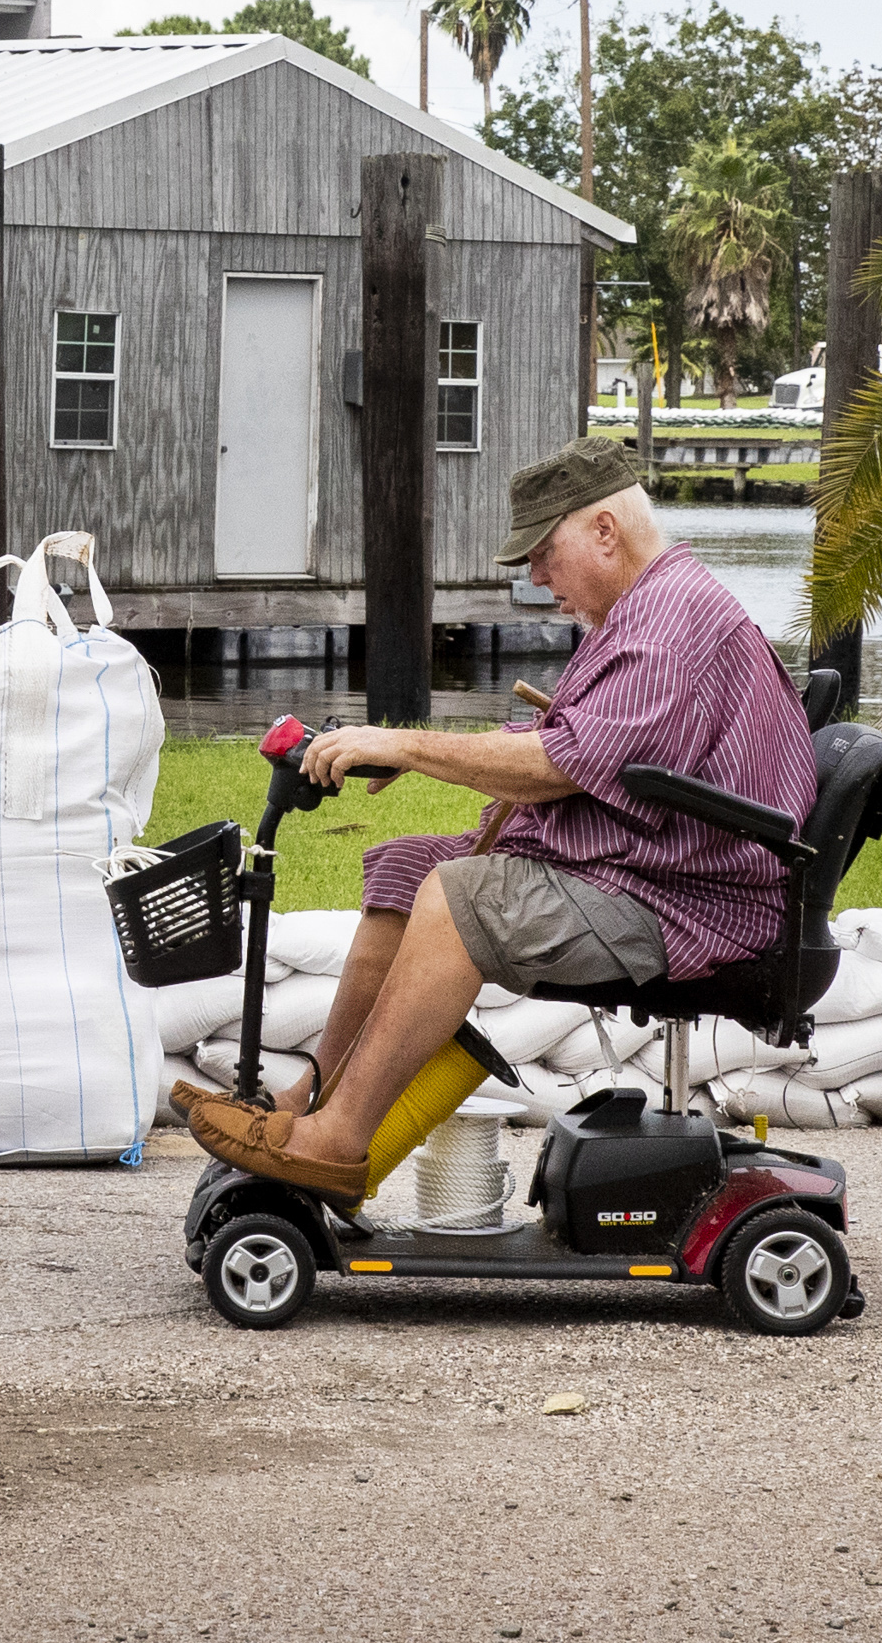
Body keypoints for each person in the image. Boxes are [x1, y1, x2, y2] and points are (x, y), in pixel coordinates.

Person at [175, 435, 815, 1201]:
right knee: (405, 867)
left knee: (460, 894)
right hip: (651, 864)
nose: (538, 579)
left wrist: (409, 744)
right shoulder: (646, 611)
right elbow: (580, 744)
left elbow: (556, 766)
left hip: (687, 903)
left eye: (544, 553)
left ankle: (337, 1145)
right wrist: (410, 754)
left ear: (604, 531)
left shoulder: (669, 629)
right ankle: (311, 1101)